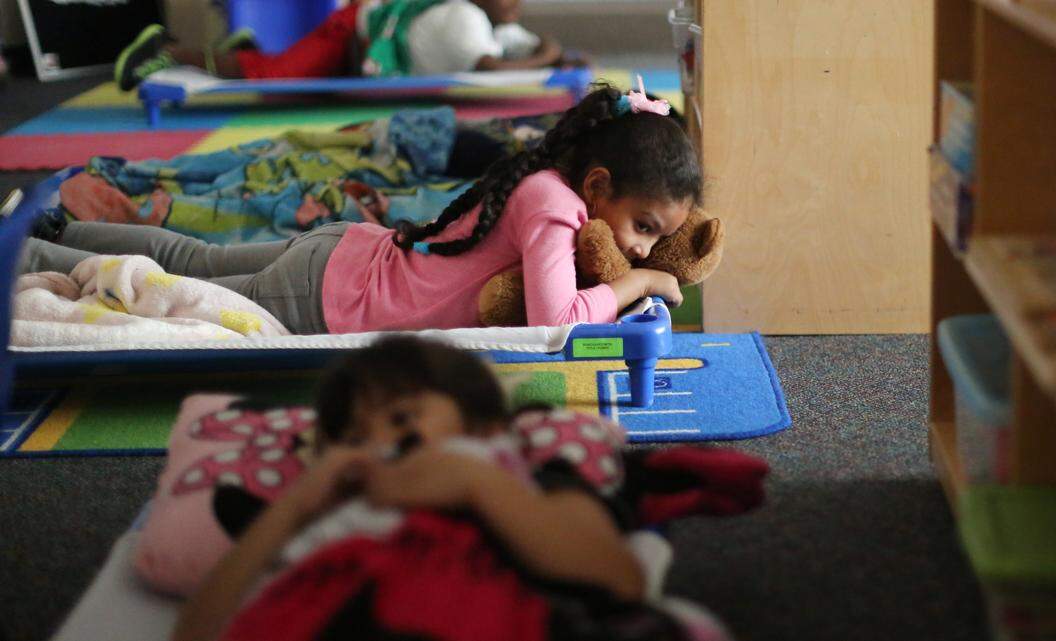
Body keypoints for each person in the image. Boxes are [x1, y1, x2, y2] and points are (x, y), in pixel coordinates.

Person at [19, 83, 701, 334]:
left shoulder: (549, 180)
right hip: (334, 296)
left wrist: (640, 260)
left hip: (347, 254)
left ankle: (53, 232)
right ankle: (29, 255)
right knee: (175, 286)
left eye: (656, 240)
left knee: (190, 257)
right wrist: (635, 284)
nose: (642, 249)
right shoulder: (553, 206)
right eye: (643, 227)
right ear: (599, 185)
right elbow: (556, 320)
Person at [172, 335, 684, 641]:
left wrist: (473, 482)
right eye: (354, 440)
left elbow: (617, 577)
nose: (379, 445)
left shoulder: (525, 477)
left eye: (401, 418)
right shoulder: (336, 521)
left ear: (481, 425)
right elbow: (199, 632)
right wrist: (297, 504)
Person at [115, 0, 581, 92]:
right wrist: (551, 51)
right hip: (352, 33)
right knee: (271, 78)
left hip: (359, 47)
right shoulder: (463, 18)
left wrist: (554, 52)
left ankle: (242, 47)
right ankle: (170, 48)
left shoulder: (492, 23)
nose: (518, 6)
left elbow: (542, 47)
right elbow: (492, 70)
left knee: (276, 67)